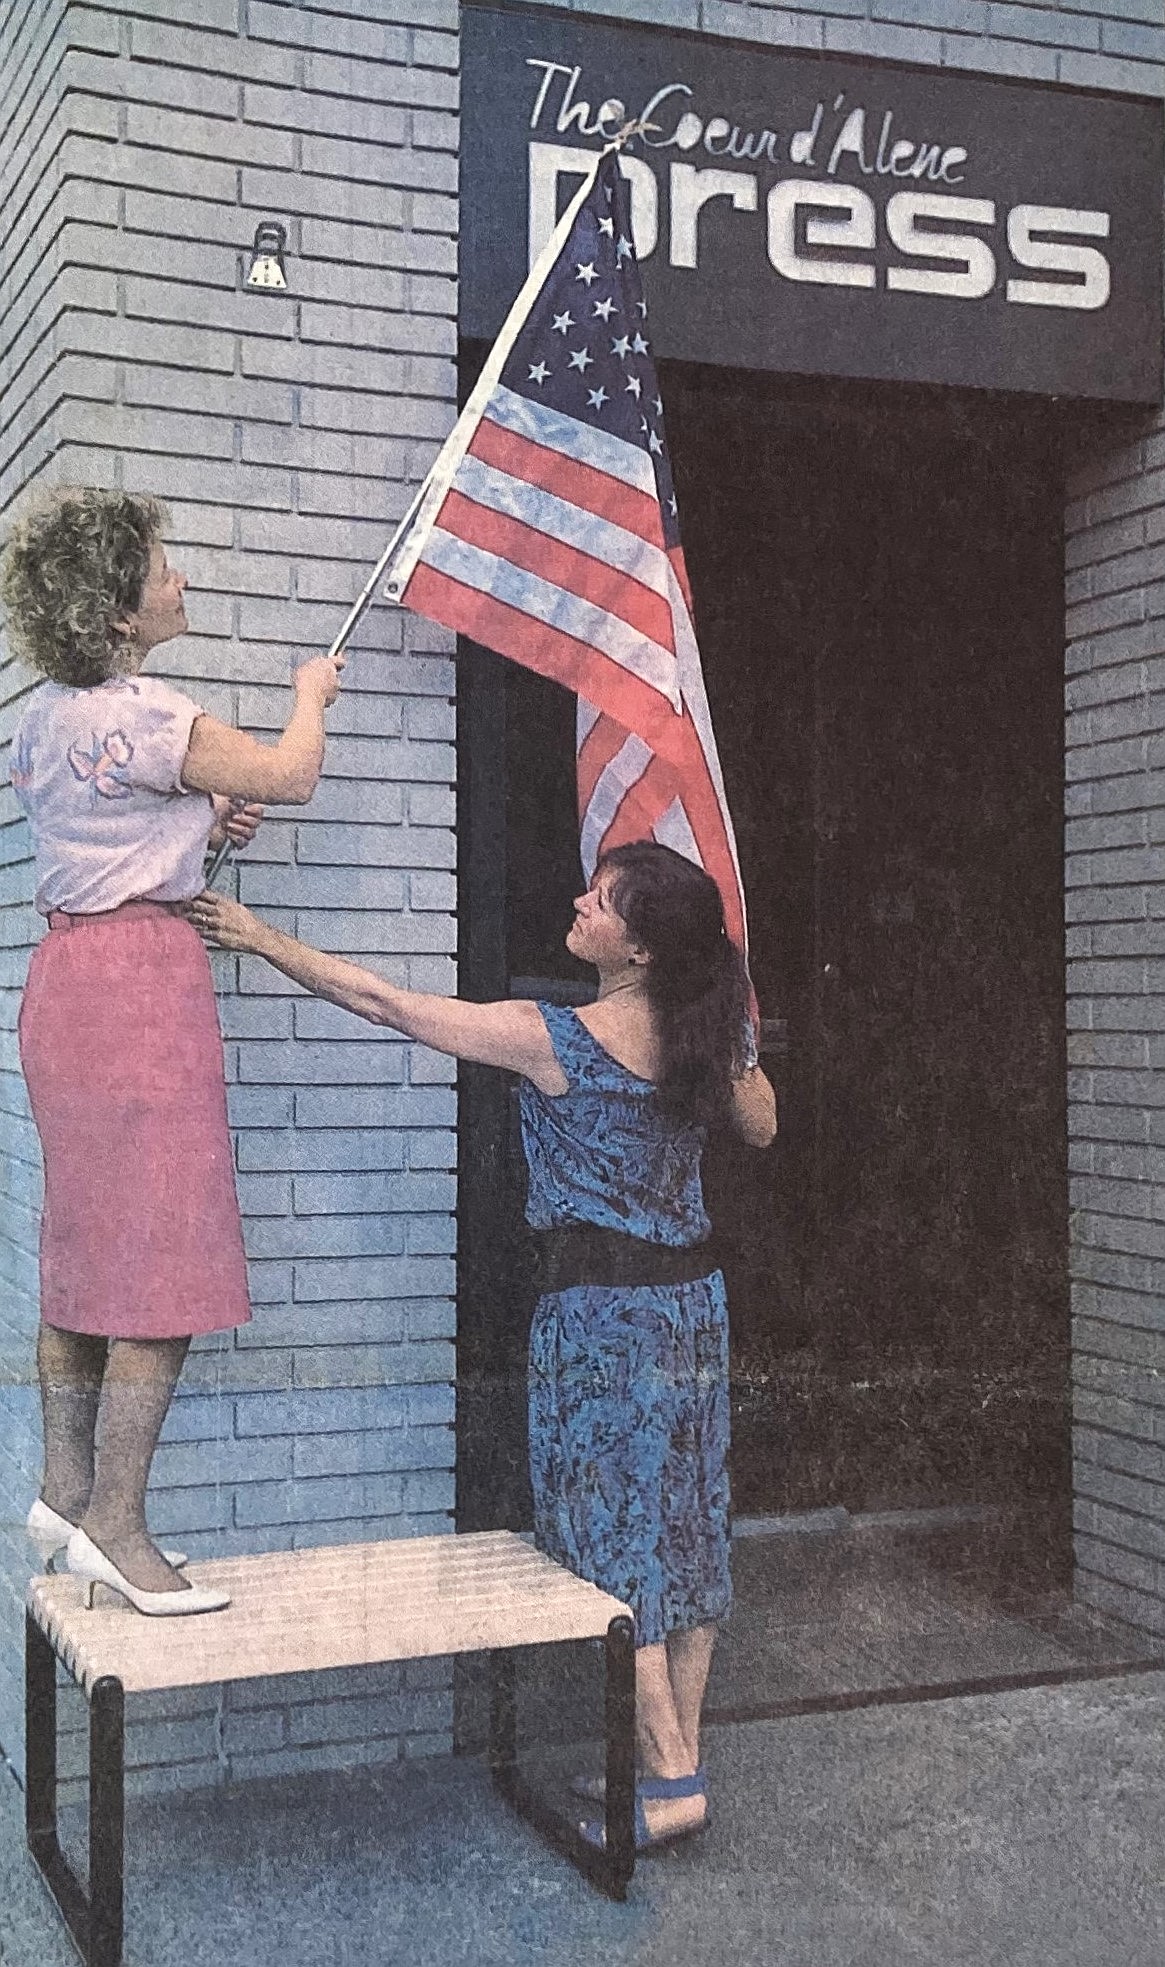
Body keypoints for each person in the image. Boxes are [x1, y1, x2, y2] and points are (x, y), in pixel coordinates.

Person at [192, 838, 777, 1846]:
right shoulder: (704, 1042)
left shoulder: (555, 1036)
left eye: (599, 903)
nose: (578, 907)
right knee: (686, 1526)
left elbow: (383, 1002)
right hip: (693, 1306)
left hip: (602, 1315)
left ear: (636, 949)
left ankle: (675, 1781)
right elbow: (762, 1128)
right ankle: (671, 1762)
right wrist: (733, 1032)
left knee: (612, 1538)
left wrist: (254, 933)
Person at [2, 487, 345, 1616]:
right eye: (162, 567)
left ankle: (60, 1488)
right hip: (143, 989)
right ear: (115, 612)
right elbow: (293, 774)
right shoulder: (153, 713)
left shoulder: (40, 715)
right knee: (165, 1266)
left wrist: (196, 821)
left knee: (85, 1244)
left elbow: (110, 825)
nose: (181, 581)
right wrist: (309, 697)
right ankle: (118, 1522)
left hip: (62, 988)